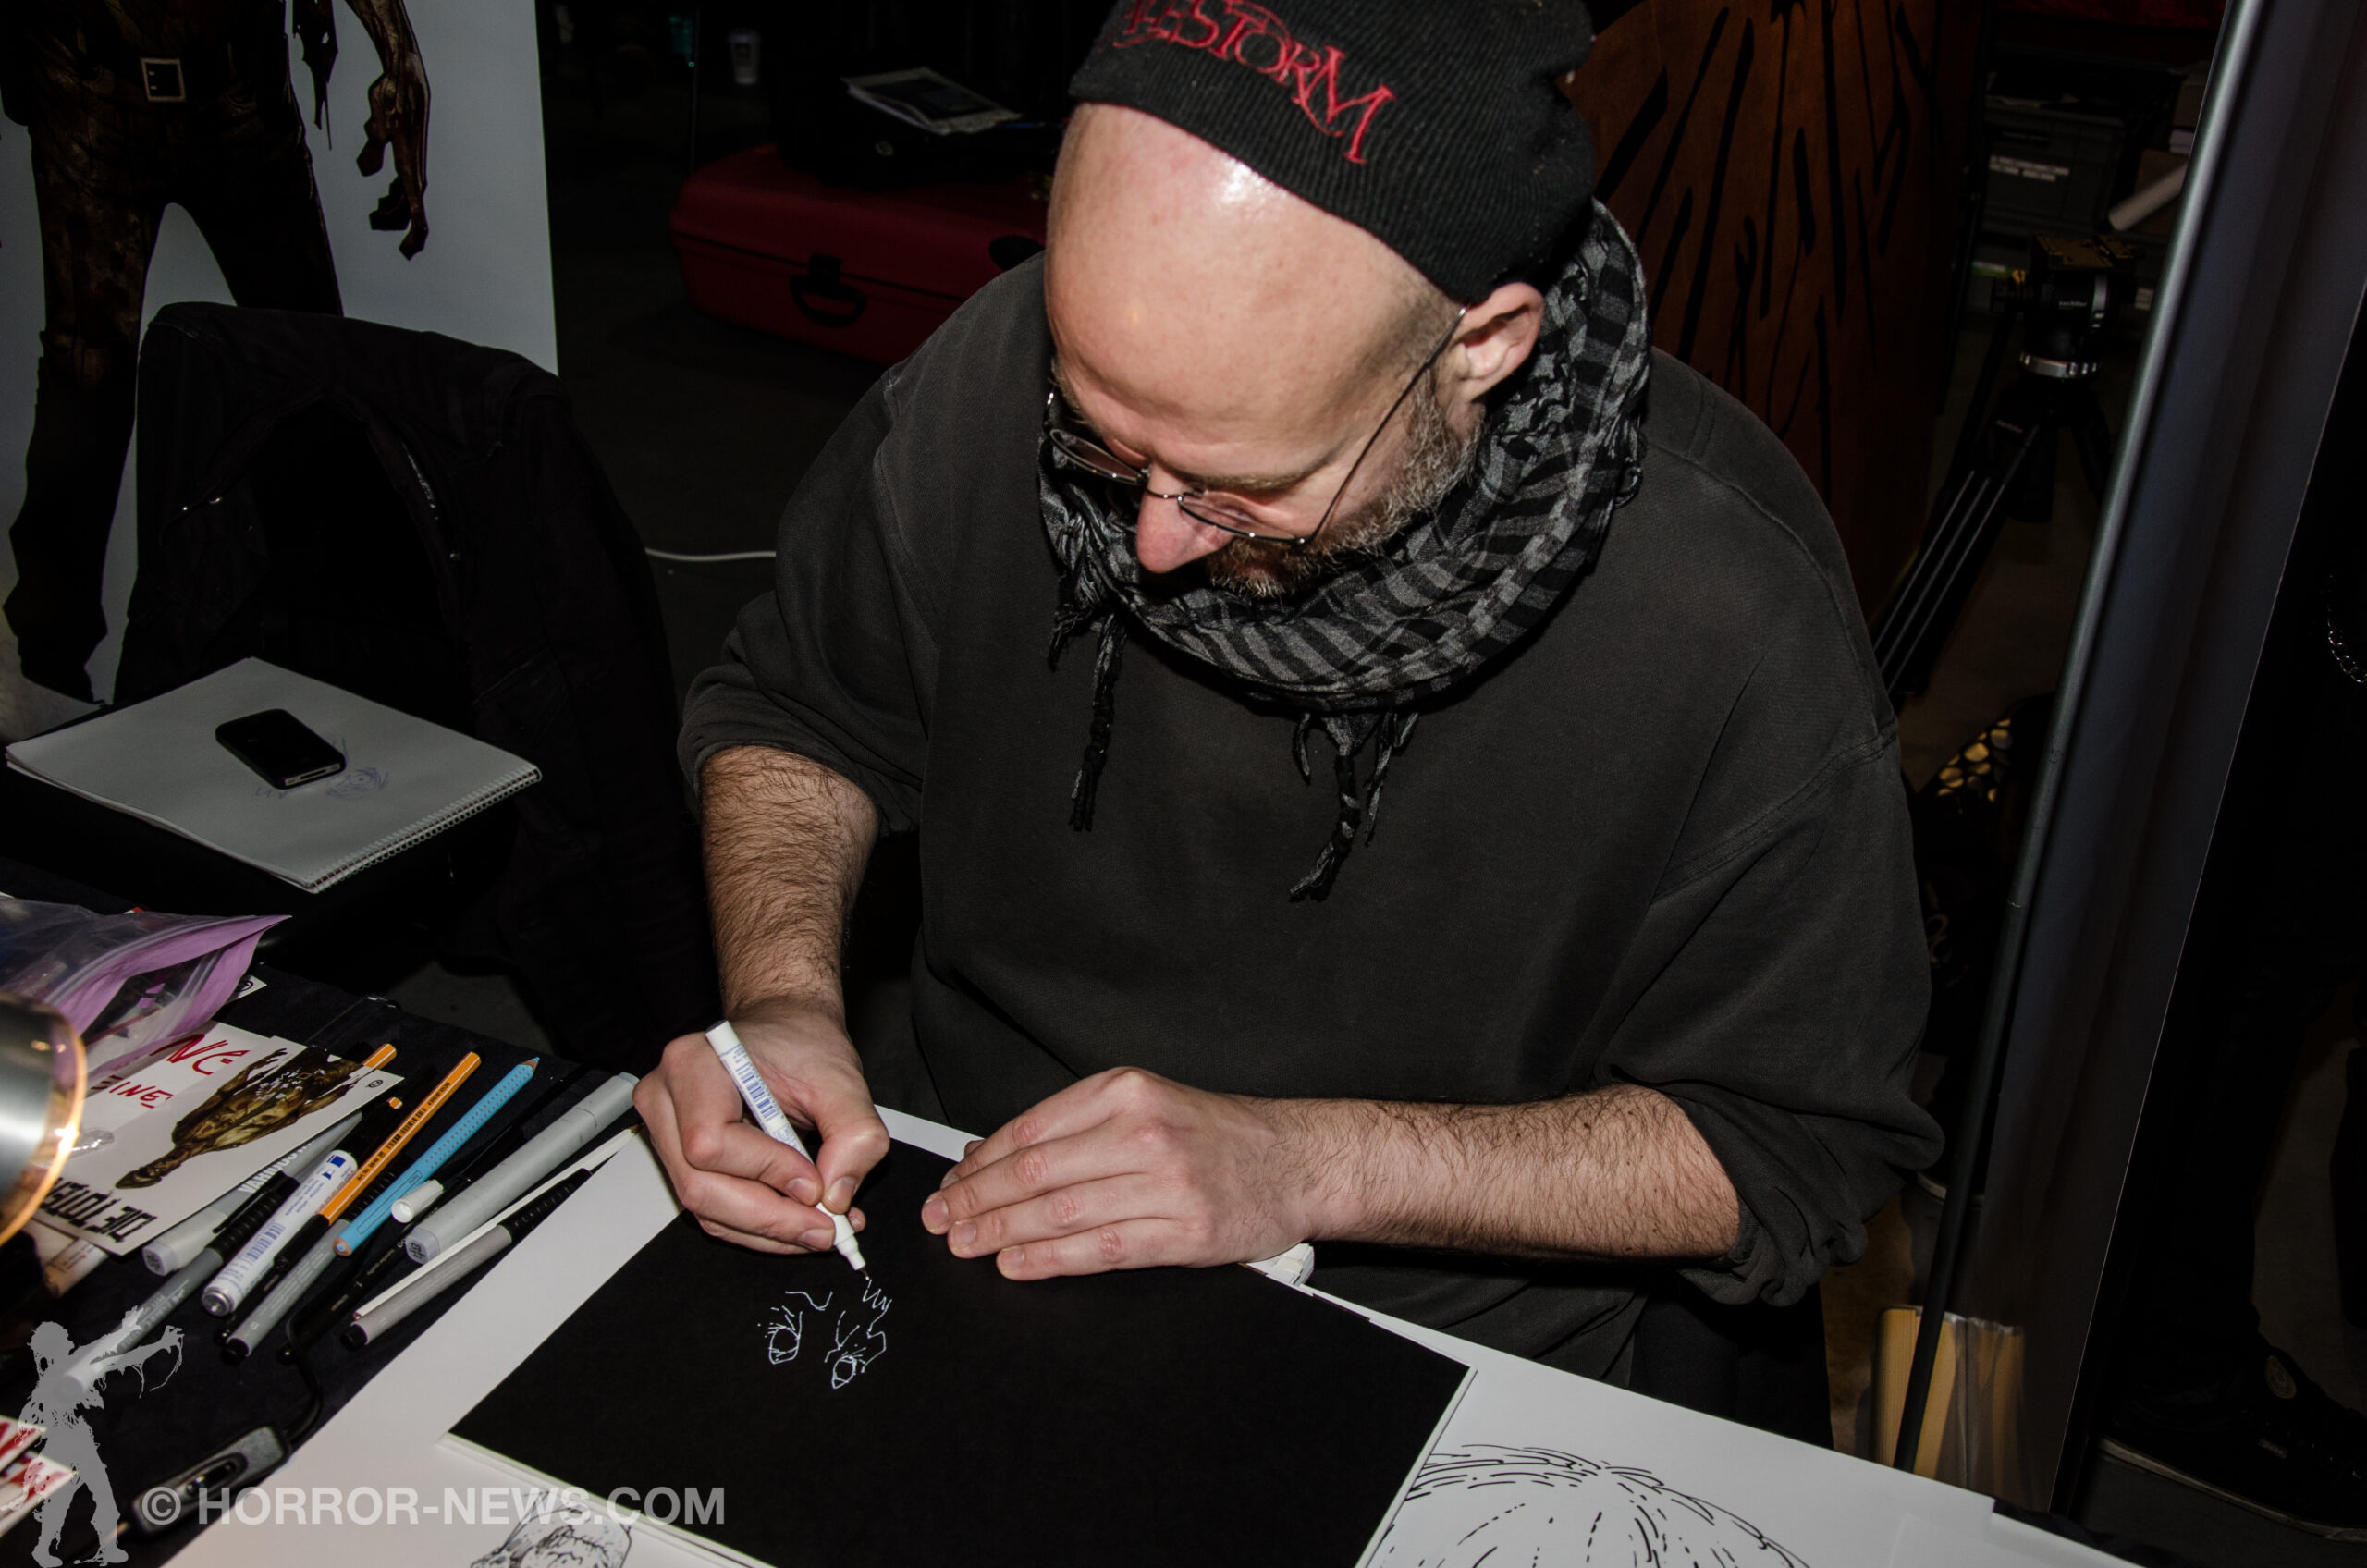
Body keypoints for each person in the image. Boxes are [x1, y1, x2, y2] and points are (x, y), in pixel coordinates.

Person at [637, 0, 1937, 1426]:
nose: (1150, 543)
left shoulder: (1727, 606)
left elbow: (1790, 1144)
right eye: (1101, 441)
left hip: (1428, 1337)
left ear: (1484, 344)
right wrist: (781, 1001)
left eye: (1241, 484)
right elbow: (799, 713)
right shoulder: (1000, 367)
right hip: (958, 1202)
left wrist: (1307, 1165)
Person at [0, 0, 431, 706]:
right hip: (89, 88)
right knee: (87, 385)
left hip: (233, 90)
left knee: (311, 373)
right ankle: (49, 678)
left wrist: (398, 49)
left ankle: (343, 643)